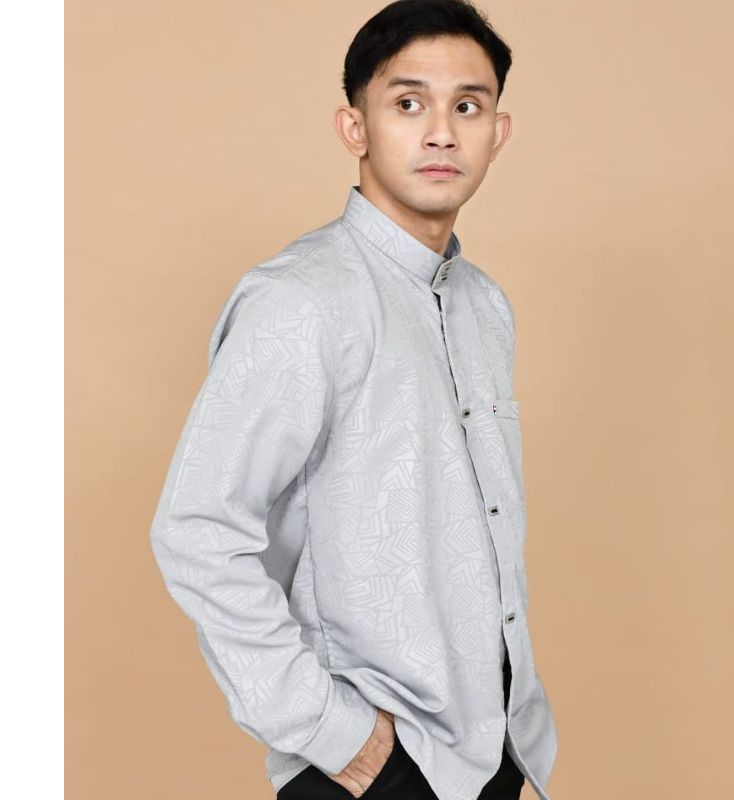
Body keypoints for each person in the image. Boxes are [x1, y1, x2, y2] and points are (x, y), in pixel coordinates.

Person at [149, 1, 558, 799]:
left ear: (497, 133)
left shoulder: (484, 305)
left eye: (467, 106)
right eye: (408, 103)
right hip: (375, 764)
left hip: (496, 749)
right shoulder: (300, 299)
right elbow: (196, 529)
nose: (441, 133)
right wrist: (338, 737)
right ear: (355, 127)